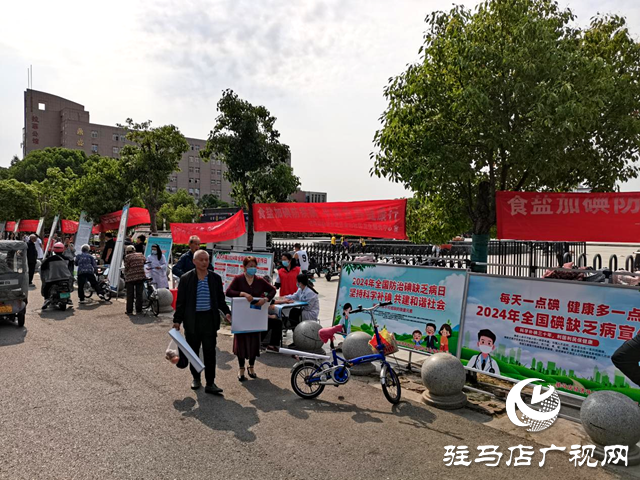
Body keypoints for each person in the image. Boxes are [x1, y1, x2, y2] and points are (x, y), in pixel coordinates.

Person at [173, 249, 231, 394]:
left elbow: (220, 300)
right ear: (194, 261)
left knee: (210, 352)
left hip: (209, 320)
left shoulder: (215, 278)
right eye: (201, 260)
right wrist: (177, 320)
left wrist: (227, 313)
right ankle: (196, 378)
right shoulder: (186, 278)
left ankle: (210, 382)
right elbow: (181, 302)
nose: (204, 262)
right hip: (192, 320)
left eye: (207, 259)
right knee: (193, 352)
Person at [226, 256, 276, 381]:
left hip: (255, 317)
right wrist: (242, 293)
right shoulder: (238, 279)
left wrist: (266, 299)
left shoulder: (259, 281)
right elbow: (228, 292)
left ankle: (251, 366)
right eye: (250, 266)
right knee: (241, 342)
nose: (252, 269)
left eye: (254, 266)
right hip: (241, 316)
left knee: (254, 342)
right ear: (244, 267)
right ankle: (241, 368)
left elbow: (272, 290)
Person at [274, 274, 320, 347]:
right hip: (304, 310)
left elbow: (308, 307)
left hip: (310, 313)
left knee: (294, 313)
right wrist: (284, 298)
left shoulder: (310, 292)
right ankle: (294, 331)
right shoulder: (301, 289)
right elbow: (294, 296)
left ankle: (296, 334)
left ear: (300, 283)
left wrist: (298, 304)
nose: (296, 283)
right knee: (293, 312)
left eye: (297, 281)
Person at [40, 242, 73, 309]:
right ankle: (68, 298)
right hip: (66, 278)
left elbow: (43, 268)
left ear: (54, 250)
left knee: (46, 287)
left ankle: (47, 299)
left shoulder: (49, 259)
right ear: (63, 250)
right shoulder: (67, 259)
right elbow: (70, 267)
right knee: (68, 287)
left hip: (53, 278)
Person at [123, 245, 146, 315]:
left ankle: (129, 310)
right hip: (140, 276)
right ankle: (139, 310)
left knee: (130, 294)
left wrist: (125, 274)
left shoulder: (127, 257)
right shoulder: (141, 255)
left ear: (127, 251)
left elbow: (126, 267)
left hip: (130, 277)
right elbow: (145, 262)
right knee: (139, 294)